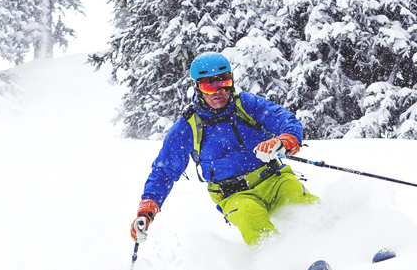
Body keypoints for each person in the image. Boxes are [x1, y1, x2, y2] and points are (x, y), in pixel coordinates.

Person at [130, 52, 319, 246]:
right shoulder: (188, 127)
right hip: (234, 195)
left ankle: (334, 252)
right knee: (251, 218)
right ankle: (285, 266)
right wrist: (147, 209)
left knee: (307, 209)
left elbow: (284, 119)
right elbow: (163, 172)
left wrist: (284, 141)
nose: (218, 91)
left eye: (224, 82)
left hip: (274, 179)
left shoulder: (246, 104)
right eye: (209, 85)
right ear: (198, 88)